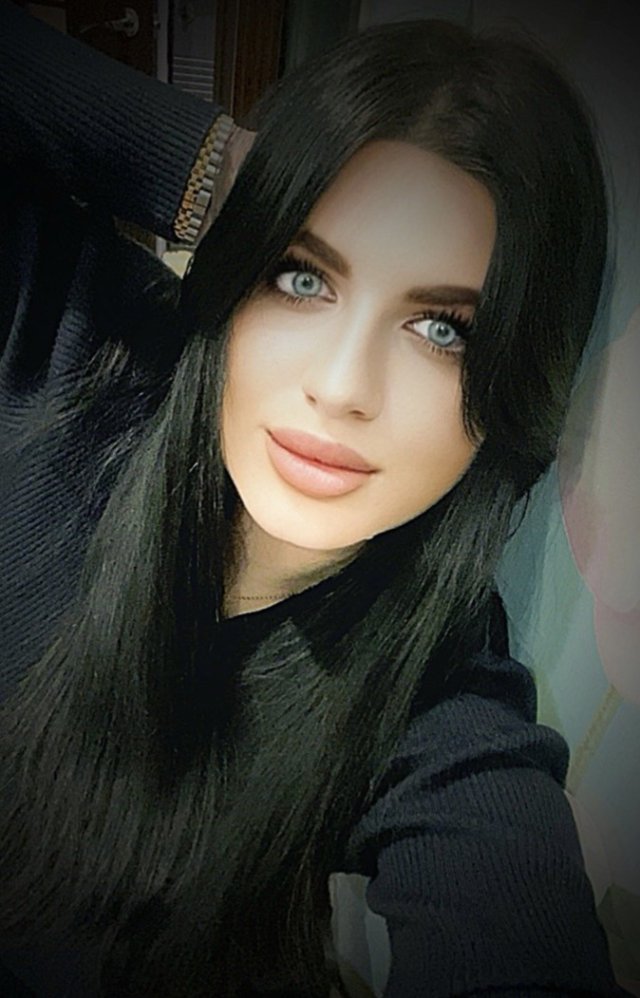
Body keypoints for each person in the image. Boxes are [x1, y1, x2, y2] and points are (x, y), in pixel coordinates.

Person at [0, 3, 631, 997]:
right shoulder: (68, 363)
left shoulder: (445, 706)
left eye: (442, 330)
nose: (340, 386)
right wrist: (218, 171)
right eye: (301, 277)